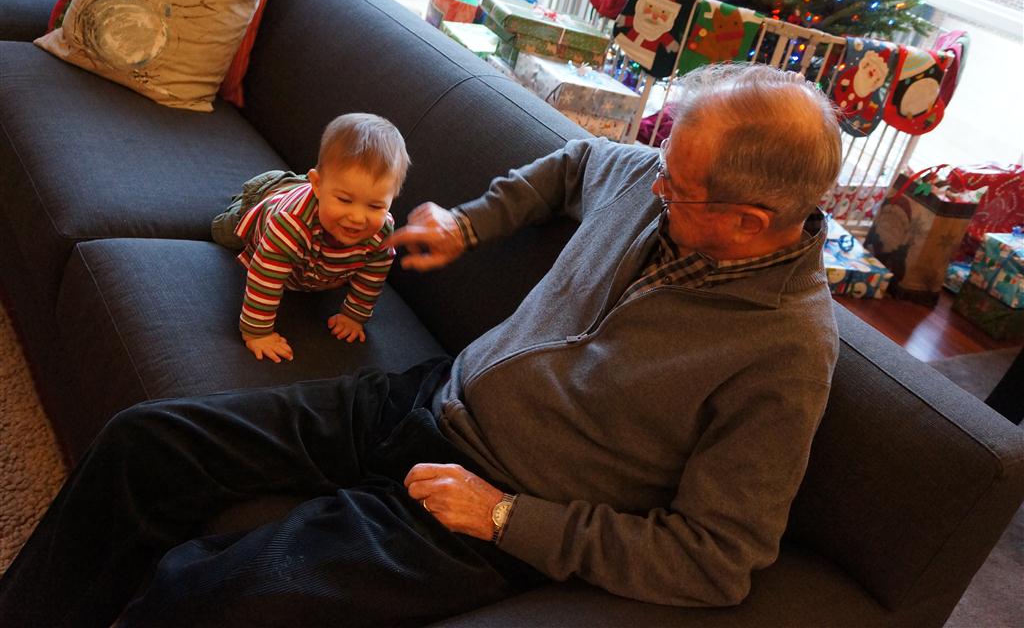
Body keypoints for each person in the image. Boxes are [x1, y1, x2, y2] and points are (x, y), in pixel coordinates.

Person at [0, 63, 843, 627]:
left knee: (208, 599)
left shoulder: (784, 351)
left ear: (749, 222)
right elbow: (583, 161)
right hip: (427, 397)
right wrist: (471, 224)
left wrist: (507, 517)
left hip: (488, 510)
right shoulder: (649, 182)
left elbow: (716, 559)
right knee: (145, 443)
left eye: (677, 185)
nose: (652, 182)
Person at [211, 113, 409, 362]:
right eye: (344, 200)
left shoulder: (381, 232)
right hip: (267, 204)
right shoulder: (289, 225)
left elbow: (373, 274)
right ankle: (255, 193)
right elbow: (265, 278)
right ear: (317, 184)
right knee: (223, 234)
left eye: (375, 206)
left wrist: (353, 316)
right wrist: (256, 333)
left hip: (306, 246)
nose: (358, 218)